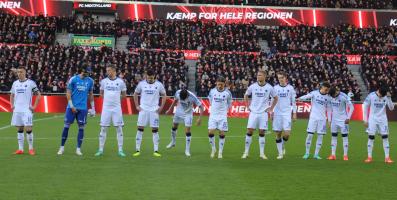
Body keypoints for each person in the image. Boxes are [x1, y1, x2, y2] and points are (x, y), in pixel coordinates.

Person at [57, 64, 95, 156]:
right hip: (71, 107)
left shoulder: (90, 81)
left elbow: (90, 94)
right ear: (83, 70)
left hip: (83, 108)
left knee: (81, 128)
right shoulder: (73, 79)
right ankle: (61, 148)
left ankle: (78, 149)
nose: (89, 73)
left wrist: (93, 108)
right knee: (66, 126)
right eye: (87, 71)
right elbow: (68, 93)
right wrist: (71, 106)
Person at [242, 70, 278, 159]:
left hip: (263, 113)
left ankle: (262, 153)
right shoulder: (253, 86)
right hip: (253, 112)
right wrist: (247, 106)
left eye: (260, 75)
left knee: (262, 132)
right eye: (258, 75)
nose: (258, 76)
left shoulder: (269, 87)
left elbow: (276, 98)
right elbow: (246, 95)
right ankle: (246, 152)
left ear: (264, 76)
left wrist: (271, 108)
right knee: (249, 131)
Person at [133, 69, 167, 157]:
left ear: (154, 76)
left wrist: (161, 107)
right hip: (143, 109)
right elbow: (135, 94)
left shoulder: (159, 85)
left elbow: (164, 95)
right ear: (146, 76)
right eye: (148, 78)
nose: (150, 79)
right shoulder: (141, 84)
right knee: (140, 129)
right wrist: (137, 106)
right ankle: (137, 150)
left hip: (154, 110)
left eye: (151, 78)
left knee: (155, 130)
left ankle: (156, 150)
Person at [95, 65, 127, 157]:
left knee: (119, 129)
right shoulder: (104, 81)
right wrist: (107, 101)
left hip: (117, 109)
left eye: (109, 70)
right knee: (103, 128)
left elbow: (124, 95)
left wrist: (116, 102)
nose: (107, 72)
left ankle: (120, 150)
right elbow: (101, 93)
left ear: (113, 71)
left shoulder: (120, 82)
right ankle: (100, 150)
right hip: (106, 109)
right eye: (107, 70)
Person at [10, 66, 41, 155]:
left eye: (21, 72)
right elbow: (12, 95)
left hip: (27, 110)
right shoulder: (15, 83)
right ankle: (20, 149)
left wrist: (34, 106)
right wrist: (12, 105)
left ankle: (31, 149)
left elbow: (39, 95)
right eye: (18, 72)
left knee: (28, 129)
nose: (19, 73)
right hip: (17, 110)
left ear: (25, 73)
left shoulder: (31, 83)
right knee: (19, 129)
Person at [298, 82, 332, 160]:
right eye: (325, 88)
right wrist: (299, 98)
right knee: (310, 135)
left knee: (320, 136)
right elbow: (307, 96)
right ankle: (307, 153)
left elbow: (329, 110)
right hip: (313, 118)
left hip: (322, 119)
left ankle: (316, 154)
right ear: (322, 87)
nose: (326, 90)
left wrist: (329, 121)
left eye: (328, 89)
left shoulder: (328, 98)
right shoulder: (314, 93)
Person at [166, 88, 204, 157]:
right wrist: (170, 109)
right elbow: (175, 101)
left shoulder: (192, 97)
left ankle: (187, 150)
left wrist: (200, 118)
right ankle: (173, 142)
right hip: (179, 111)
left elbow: (201, 107)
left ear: (187, 96)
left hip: (188, 113)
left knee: (187, 131)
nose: (182, 100)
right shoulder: (178, 93)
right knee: (174, 126)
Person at [363, 84, 395, 163]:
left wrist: (389, 98)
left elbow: (391, 108)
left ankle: (387, 158)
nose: (381, 97)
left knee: (385, 137)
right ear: (378, 91)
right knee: (371, 137)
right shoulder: (371, 96)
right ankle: (369, 157)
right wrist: (365, 120)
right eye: (381, 95)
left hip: (383, 119)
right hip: (372, 119)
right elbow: (365, 107)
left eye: (382, 96)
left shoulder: (385, 96)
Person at [272, 71, 296, 160]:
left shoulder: (290, 88)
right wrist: (272, 112)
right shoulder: (275, 88)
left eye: (282, 77)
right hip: (277, 113)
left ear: (285, 77)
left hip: (286, 113)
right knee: (278, 133)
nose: (280, 79)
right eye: (279, 78)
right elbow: (272, 101)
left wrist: (294, 113)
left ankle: (282, 143)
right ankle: (280, 153)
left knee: (287, 134)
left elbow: (293, 102)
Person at [207, 76, 232, 159]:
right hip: (213, 115)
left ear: (224, 84)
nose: (220, 86)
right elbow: (210, 100)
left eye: (221, 84)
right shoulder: (212, 91)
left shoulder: (228, 93)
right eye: (218, 84)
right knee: (210, 132)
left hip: (222, 116)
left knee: (222, 133)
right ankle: (213, 149)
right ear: (216, 83)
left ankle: (220, 152)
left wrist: (225, 111)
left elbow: (229, 103)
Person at [327, 86, 354, 161]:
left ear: (336, 92)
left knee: (344, 137)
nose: (333, 97)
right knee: (333, 136)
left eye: (333, 95)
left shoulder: (344, 96)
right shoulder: (330, 96)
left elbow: (352, 107)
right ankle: (333, 155)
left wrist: (348, 117)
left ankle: (345, 155)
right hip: (334, 120)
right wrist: (329, 120)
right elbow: (329, 109)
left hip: (343, 120)